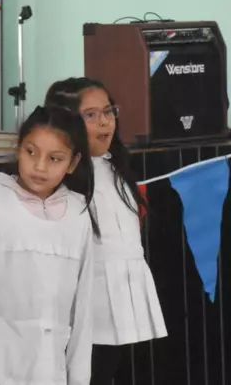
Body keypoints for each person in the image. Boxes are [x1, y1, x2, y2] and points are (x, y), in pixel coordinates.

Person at [0, 106, 98, 385]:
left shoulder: (78, 214)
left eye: (55, 158)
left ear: (72, 163)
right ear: (18, 149)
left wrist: (79, 376)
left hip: (52, 369)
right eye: (31, 152)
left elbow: (83, 307)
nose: (40, 166)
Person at [45, 77, 167, 385]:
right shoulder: (58, 181)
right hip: (87, 309)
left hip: (128, 300)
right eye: (91, 114)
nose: (105, 121)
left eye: (109, 111)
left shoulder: (117, 167)